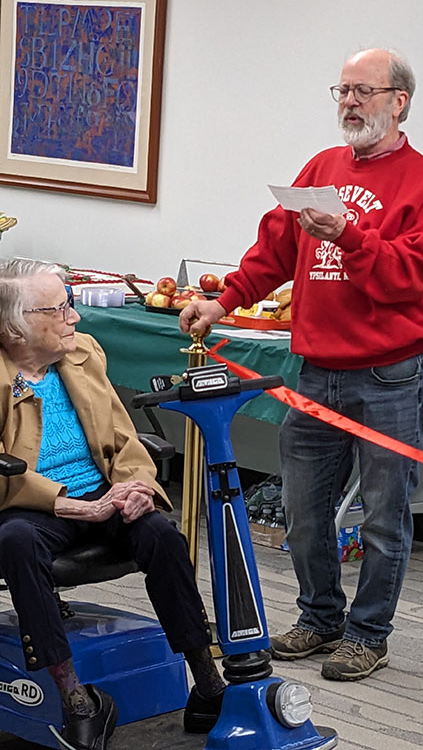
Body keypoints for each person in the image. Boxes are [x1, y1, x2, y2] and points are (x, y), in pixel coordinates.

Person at [180, 48, 423, 682]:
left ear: (399, 100)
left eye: (363, 91)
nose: (350, 102)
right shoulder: (321, 168)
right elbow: (274, 249)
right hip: (315, 370)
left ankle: (368, 634)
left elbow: (411, 277)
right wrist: (222, 302)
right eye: (342, 91)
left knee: (385, 516)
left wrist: (347, 236)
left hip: (389, 373)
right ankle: (320, 617)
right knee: (304, 512)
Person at [0, 259, 225, 750]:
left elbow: (123, 437)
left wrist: (138, 484)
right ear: (16, 327)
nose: (74, 318)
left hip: (101, 490)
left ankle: (207, 682)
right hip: (29, 506)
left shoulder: (83, 354)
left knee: (163, 533)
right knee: (14, 540)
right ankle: (76, 700)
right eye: (59, 309)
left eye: (71, 305)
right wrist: (67, 505)